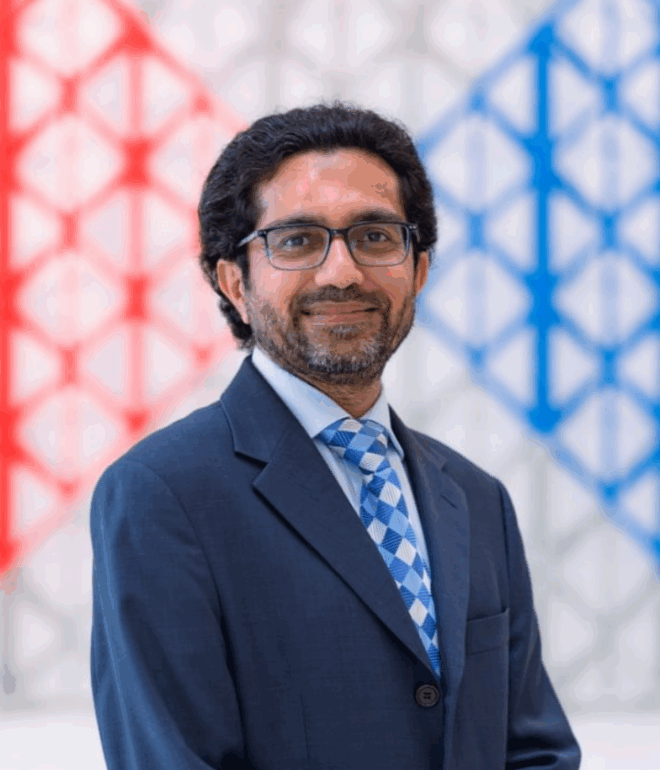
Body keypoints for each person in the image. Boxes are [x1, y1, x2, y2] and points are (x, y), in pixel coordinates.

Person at [90, 102, 581, 770]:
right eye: (297, 241)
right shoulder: (161, 495)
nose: (343, 272)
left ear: (419, 269)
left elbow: (534, 751)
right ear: (235, 282)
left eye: (375, 236)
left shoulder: (476, 498)